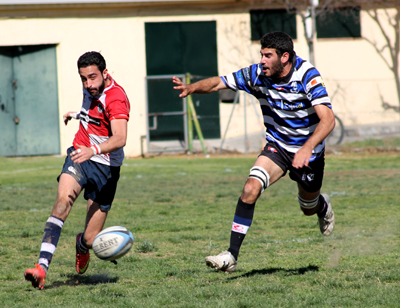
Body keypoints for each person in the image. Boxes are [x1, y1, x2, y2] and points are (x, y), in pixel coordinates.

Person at [173, 31, 335, 273]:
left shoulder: (307, 75)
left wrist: (307, 148)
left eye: (267, 55)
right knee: (250, 188)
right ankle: (231, 255)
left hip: (308, 153)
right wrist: (192, 87)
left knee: (307, 208)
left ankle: (321, 206)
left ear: (285, 57)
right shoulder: (257, 74)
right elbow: (220, 82)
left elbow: (328, 120)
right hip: (278, 146)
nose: (262, 60)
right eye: (261, 54)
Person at [24, 51, 130, 289]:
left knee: (92, 239)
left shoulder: (116, 98)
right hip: (79, 154)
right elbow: (92, 113)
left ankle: (81, 245)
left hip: (107, 169)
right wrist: (75, 114)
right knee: (62, 202)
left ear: (105, 73)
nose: (88, 84)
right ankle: (41, 268)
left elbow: (120, 137)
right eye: (83, 79)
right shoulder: (90, 88)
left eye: (93, 78)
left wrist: (94, 150)